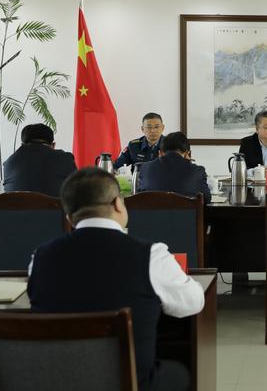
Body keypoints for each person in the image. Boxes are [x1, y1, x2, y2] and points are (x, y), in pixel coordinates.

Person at [27, 168, 204, 391]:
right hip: (130, 383)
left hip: (56, 382)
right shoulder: (150, 255)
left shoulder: (40, 258)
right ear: (118, 204)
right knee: (178, 371)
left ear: (69, 217)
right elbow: (193, 303)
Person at [3, 123, 76, 197]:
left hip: (15, 204)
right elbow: (77, 189)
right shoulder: (65, 158)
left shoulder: (8, 163)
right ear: (53, 145)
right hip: (54, 204)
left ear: (22, 144)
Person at [137, 131, 211, 203]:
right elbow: (207, 198)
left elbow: (139, 196)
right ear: (187, 153)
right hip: (184, 212)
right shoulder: (197, 171)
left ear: (160, 153)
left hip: (153, 211)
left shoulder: (145, 168)